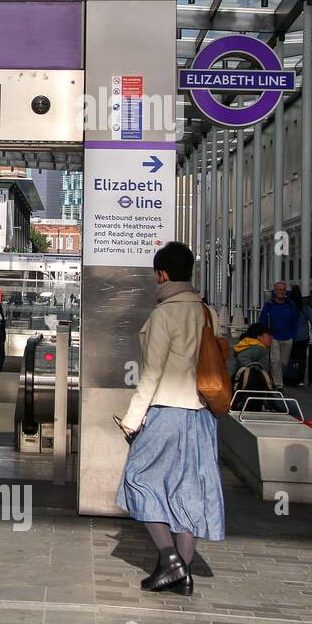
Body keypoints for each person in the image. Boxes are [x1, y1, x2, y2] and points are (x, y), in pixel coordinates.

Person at [115, 241, 224, 596]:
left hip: (167, 413)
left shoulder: (165, 314)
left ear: (162, 274)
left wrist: (132, 419)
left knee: (138, 479)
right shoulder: (207, 312)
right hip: (201, 416)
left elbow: (151, 374)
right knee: (188, 493)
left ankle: (170, 558)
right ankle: (182, 572)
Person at [259, 281, 301, 390]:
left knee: (283, 362)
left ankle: (274, 378)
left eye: (283, 290)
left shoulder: (291, 305)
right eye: (279, 290)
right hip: (274, 337)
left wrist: (293, 334)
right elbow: (262, 320)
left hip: (287, 337)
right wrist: (266, 334)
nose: (282, 292)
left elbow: (295, 320)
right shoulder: (269, 305)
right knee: (275, 360)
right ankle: (279, 385)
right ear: (275, 292)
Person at [228, 323, 274, 394]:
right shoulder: (258, 347)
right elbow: (243, 357)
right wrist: (254, 371)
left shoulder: (248, 343)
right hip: (242, 382)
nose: (271, 338)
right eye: (268, 335)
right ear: (259, 337)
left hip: (233, 378)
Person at [289, 284, 312, 385]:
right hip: (303, 336)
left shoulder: (290, 306)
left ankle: (290, 375)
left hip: (292, 336)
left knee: (291, 357)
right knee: (302, 358)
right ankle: (300, 380)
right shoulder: (305, 307)